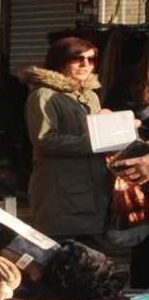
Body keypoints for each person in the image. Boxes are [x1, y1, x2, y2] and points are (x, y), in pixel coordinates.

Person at [22, 36, 149, 247]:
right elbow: (45, 140)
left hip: (93, 193)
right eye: (77, 59)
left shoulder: (90, 95)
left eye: (91, 60)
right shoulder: (43, 95)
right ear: (60, 60)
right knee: (62, 256)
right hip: (60, 191)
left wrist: (122, 130)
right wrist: (96, 142)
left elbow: (99, 131)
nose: (85, 65)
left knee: (90, 260)